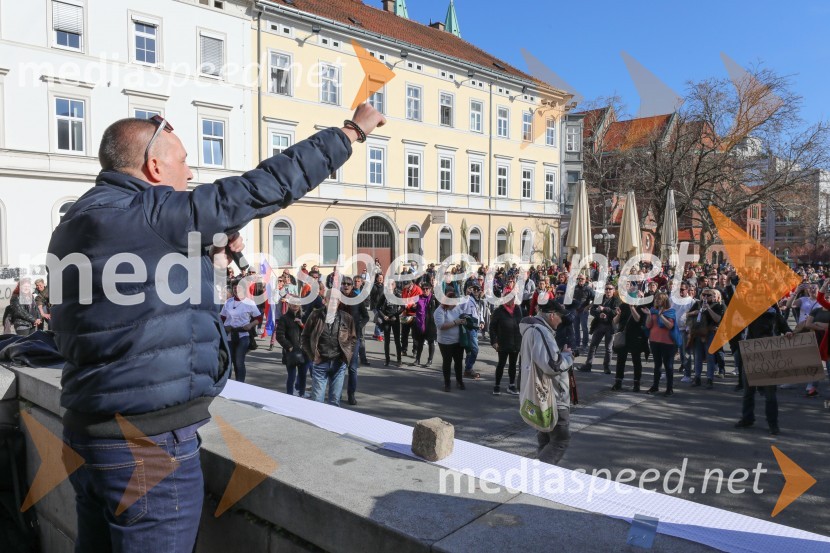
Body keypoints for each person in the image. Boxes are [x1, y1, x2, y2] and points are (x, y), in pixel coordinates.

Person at [48, 104, 384, 551]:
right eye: (183, 161)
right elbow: (262, 186)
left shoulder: (75, 220)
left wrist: (206, 251)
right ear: (154, 166)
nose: (190, 173)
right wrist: (350, 132)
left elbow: (142, 300)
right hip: (148, 442)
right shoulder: (154, 211)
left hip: (88, 431)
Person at [519, 300, 574, 465]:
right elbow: (553, 366)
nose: (561, 320)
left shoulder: (531, 329)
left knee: (545, 439)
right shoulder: (540, 330)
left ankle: (540, 474)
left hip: (540, 394)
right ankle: (539, 475)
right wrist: (567, 356)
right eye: (560, 317)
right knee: (560, 440)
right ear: (551, 315)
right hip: (552, 396)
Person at [734, 299, 792, 435]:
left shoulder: (775, 315)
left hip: (769, 358)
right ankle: (747, 418)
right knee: (748, 391)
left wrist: (788, 332)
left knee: (770, 394)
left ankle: (773, 424)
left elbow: (785, 327)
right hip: (752, 356)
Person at [302, 290, 357, 407]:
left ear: (339, 302)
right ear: (325, 300)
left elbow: (353, 339)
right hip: (320, 362)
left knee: (334, 401)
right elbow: (305, 337)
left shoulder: (347, 318)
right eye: (330, 298)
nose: (333, 301)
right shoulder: (315, 315)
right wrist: (313, 356)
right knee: (317, 401)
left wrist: (345, 356)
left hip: (338, 364)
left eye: (336, 299)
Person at [220, 281, 262, 383]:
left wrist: (251, 325)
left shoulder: (249, 303)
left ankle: (240, 385)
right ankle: (227, 384)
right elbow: (222, 318)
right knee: (228, 362)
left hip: (243, 335)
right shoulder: (228, 302)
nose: (236, 290)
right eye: (234, 288)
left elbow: (259, 318)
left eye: (238, 288)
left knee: (238, 362)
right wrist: (223, 327)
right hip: (229, 335)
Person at [611, 282, 650, 392]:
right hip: (624, 335)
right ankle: (618, 382)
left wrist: (632, 308)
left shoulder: (642, 307)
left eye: (634, 294)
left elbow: (638, 319)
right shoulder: (623, 305)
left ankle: (636, 384)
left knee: (636, 360)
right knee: (620, 360)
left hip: (636, 337)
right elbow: (614, 321)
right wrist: (618, 315)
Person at [340, 276, 370, 405]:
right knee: (339, 367)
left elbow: (366, 316)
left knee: (352, 368)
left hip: (354, 338)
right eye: (344, 284)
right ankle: (336, 392)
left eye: (348, 284)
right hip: (339, 338)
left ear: (352, 286)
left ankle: (351, 394)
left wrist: (359, 326)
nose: (346, 286)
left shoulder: (357, 300)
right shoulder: (337, 299)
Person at [687, 288, 724, 389]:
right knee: (698, 357)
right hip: (698, 333)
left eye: (709, 295)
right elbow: (688, 314)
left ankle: (709, 379)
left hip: (709, 334)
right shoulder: (698, 304)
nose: (706, 297)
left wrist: (708, 309)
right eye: (704, 295)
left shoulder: (717, 305)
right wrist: (695, 312)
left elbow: (718, 319)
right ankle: (697, 377)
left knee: (710, 357)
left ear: (713, 296)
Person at [579, 283, 620, 374]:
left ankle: (606, 367)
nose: (608, 291)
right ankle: (588, 365)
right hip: (599, 325)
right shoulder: (599, 298)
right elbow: (593, 310)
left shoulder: (616, 300)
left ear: (614, 290)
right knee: (593, 346)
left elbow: (616, 312)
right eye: (606, 289)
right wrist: (599, 314)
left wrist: (604, 309)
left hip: (610, 325)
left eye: (610, 289)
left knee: (608, 348)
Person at [645, 293, 678, 396]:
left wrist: (661, 316)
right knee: (657, 365)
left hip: (667, 343)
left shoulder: (670, 311)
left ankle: (669, 388)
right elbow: (648, 325)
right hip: (654, 341)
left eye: (659, 299)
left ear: (664, 301)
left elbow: (670, 326)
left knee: (668, 366)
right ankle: (655, 386)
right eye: (655, 299)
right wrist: (649, 315)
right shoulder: (653, 310)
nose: (656, 301)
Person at [274, 300, 310, 397]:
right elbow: (279, 335)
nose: (295, 305)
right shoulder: (284, 318)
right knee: (292, 376)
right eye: (293, 303)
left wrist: (301, 324)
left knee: (303, 376)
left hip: (304, 352)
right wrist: (289, 347)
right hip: (291, 352)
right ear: (289, 304)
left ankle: (301, 394)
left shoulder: (305, 317)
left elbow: (310, 332)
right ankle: (289, 396)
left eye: (297, 303)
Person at [490, 294, 523, 395]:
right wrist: (494, 341)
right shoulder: (499, 311)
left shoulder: (518, 309)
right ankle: (497, 385)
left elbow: (522, 323)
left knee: (513, 365)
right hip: (503, 342)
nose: (511, 300)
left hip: (515, 342)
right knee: (501, 364)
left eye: (512, 298)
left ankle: (511, 385)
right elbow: (492, 327)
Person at [433, 290, 466, 392]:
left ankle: (459, 380)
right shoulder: (439, 311)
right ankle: (447, 383)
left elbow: (462, 316)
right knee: (447, 362)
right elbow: (441, 326)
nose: (454, 305)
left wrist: (464, 320)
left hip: (457, 341)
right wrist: (456, 322)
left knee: (459, 362)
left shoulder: (456, 308)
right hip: (445, 341)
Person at [375, 279, 403, 366]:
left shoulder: (397, 295)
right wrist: (383, 316)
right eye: (388, 285)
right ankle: (387, 359)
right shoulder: (384, 295)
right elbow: (378, 308)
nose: (390, 286)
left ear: (394, 286)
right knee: (386, 341)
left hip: (395, 320)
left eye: (391, 284)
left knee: (397, 340)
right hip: (386, 320)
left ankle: (399, 359)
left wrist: (396, 315)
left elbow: (403, 307)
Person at [412, 282, 439, 367]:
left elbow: (440, 310)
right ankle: (417, 359)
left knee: (431, 342)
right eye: (423, 289)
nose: (425, 290)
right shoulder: (418, 298)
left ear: (430, 289)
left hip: (431, 324)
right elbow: (412, 307)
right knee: (420, 342)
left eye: (427, 289)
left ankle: (430, 360)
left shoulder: (434, 299)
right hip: (420, 323)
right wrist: (413, 307)